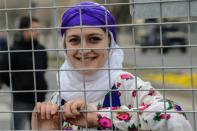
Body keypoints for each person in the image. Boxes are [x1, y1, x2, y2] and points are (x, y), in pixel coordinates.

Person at [31, 2, 193, 131]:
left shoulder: (127, 86)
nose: (84, 49)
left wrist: (101, 118)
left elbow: (175, 120)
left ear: (110, 43)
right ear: (65, 46)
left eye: (94, 39)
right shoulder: (58, 97)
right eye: (74, 40)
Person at [2, 16, 48, 130]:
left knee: (39, 129)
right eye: (34, 29)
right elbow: (3, 72)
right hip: (21, 100)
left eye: (39, 29)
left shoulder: (41, 49)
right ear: (24, 31)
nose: (38, 32)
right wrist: (16, 85)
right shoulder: (13, 51)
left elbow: (43, 68)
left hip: (39, 99)